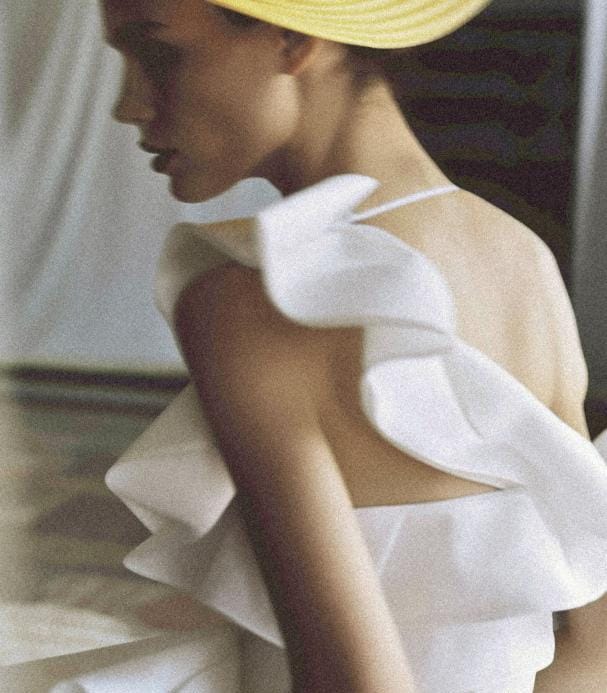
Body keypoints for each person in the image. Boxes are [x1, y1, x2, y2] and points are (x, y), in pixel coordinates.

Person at [9, 0, 607, 691]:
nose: (128, 106)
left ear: (294, 38)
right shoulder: (517, 254)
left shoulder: (259, 300)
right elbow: (596, 647)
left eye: (159, 53)